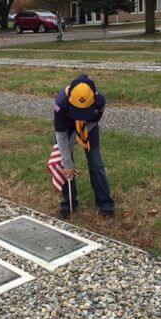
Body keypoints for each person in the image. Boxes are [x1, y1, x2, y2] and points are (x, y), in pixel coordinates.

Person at [54, 75, 115, 219]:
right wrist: (66, 159)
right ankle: (68, 204)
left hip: (88, 127)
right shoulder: (61, 103)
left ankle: (105, 204)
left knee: (96, 164)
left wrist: (77, 137)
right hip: (66, 129)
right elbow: (60, 133)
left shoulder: (100, 101)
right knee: (64, 164)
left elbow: (93, 121)